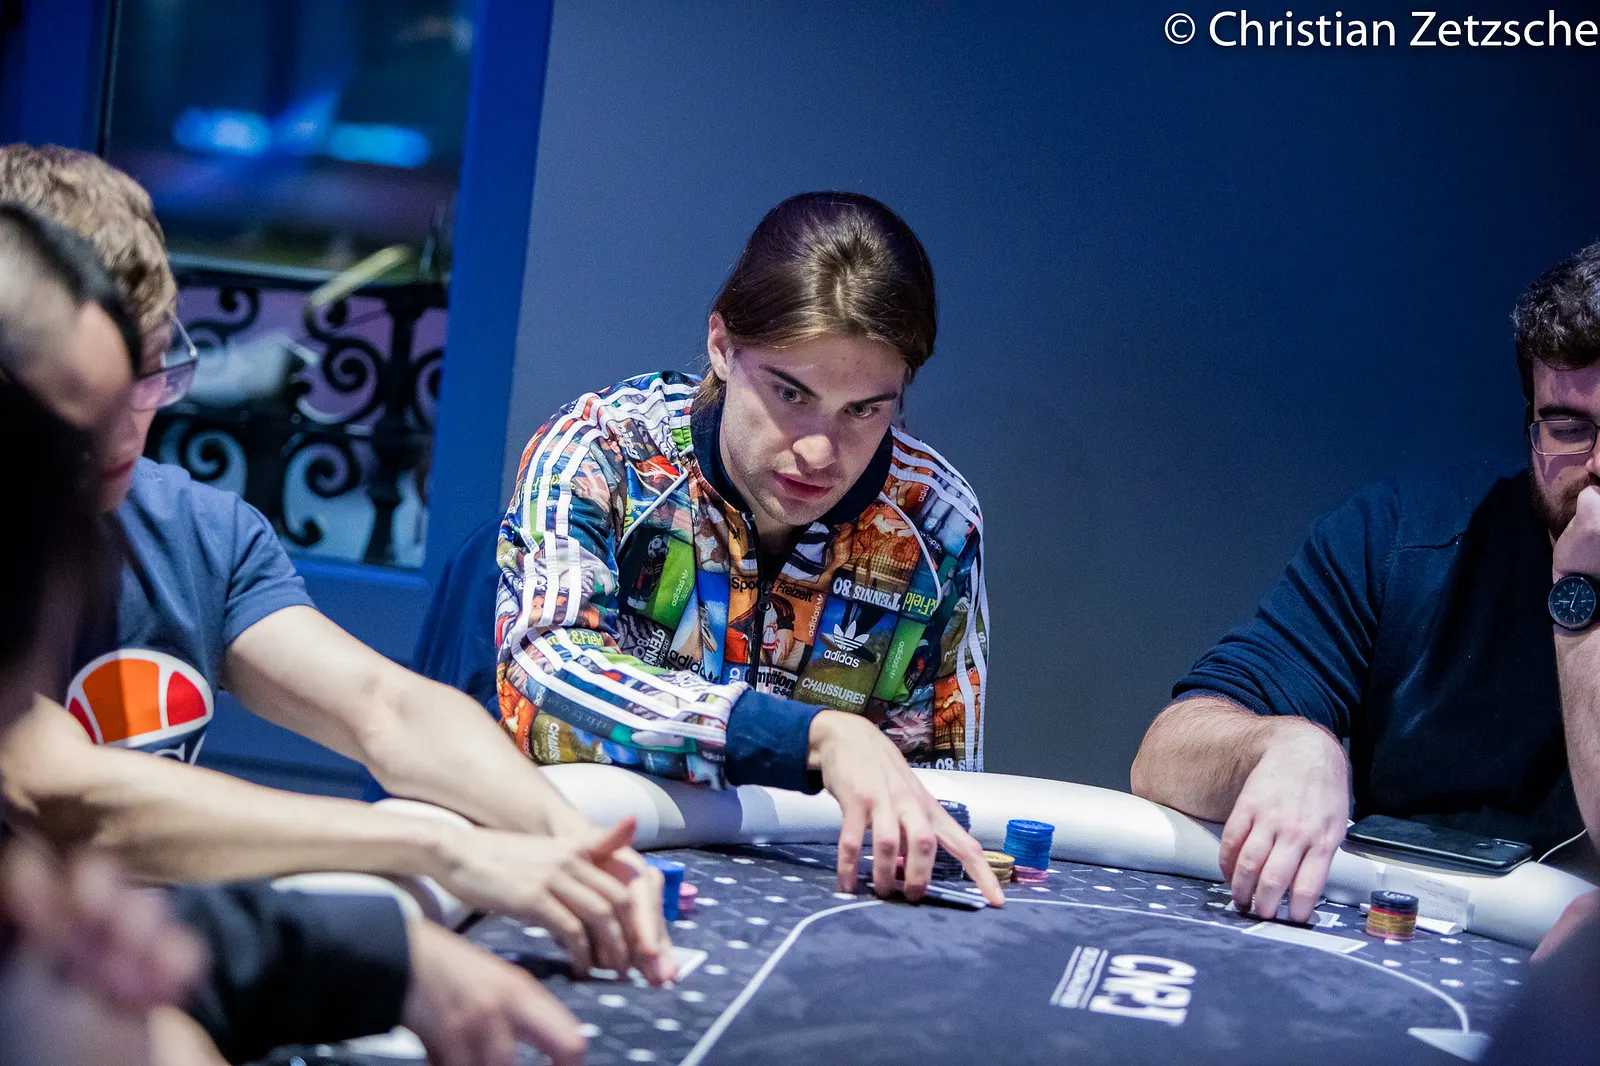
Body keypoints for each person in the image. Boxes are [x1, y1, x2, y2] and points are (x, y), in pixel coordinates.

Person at [0, 143, 673, 985]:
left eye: (153, 373)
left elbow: (386, 708)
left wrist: (566, 839)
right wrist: (433, 844)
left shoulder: (199, 531)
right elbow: (66, 794)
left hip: (142, 978)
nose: (128, 426)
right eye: (86, 396)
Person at [495, 192, 1002, 904]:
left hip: (815, 901)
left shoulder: (938, 522)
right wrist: (808, 737)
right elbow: (543, 672)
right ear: (722, 346)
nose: (820, 451)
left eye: (863, 410)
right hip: (581, 868)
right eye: (790, 394)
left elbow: (942, 785)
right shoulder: (600, 454)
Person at [1130, 239, 1600, 940]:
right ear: (1530, 424)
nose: (1598, 466)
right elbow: (1164, 752)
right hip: (1400, 941)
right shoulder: (1403, 534)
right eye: (1569, 428)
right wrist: (1284, 745)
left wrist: (1579, 601)